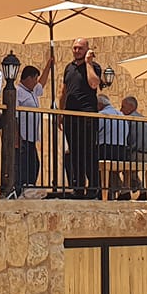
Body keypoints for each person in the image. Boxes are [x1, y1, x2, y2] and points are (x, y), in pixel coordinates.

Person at [61, 37, 104, 199]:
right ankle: (78, 187)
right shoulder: (68, 68)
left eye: (80, 48)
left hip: (87, 115)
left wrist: (88, 63)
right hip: (70, 116)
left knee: (88, 152)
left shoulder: (94, 67)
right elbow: (64, 91)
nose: (77, 51)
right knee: (75, 152)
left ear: (87, 50)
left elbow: (94, 84)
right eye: (75, 48)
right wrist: (61, 113)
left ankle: (93, 188)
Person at [14, 65, 44, 191]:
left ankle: (30, 187)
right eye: (35, 79)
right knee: (24, 165)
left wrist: (49, 65)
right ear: (29, 78)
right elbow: (14, 115)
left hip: (31, 136)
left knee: (34, 164)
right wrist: (16, 135)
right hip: (23, 135)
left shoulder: (32, 91)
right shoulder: (18, 91)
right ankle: (21, 189)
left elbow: (42, 83)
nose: (36, 82)